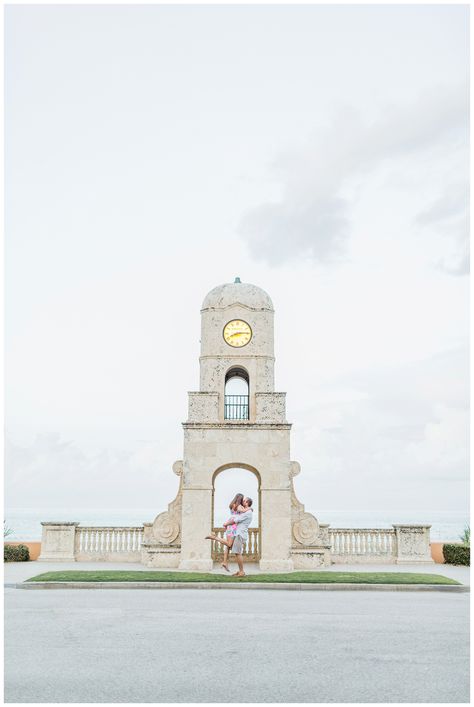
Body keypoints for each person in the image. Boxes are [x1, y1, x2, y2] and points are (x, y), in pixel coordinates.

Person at [206, 496, 253, 576]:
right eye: (242, 500)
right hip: (236, 531)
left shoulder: (246, 512)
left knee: (235, 550)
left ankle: (240, 571)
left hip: (239, 533)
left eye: (244, 501)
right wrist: (250, 508)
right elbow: (236, 519)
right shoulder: (244, 509)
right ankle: (238, 570)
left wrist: (226, 523)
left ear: (247, 503)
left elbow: (236, 520)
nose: (243, 501)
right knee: (232, 548)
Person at [220, 493, 246, 572]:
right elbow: (244, 511)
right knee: (229, 544)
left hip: (230, 525)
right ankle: (215, 538)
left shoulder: (232, 505)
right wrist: (249, 508)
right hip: (233, 526)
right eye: (243, 499)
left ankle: (225, 562)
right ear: (240, 499)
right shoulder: (239, 506)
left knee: (228, 546)